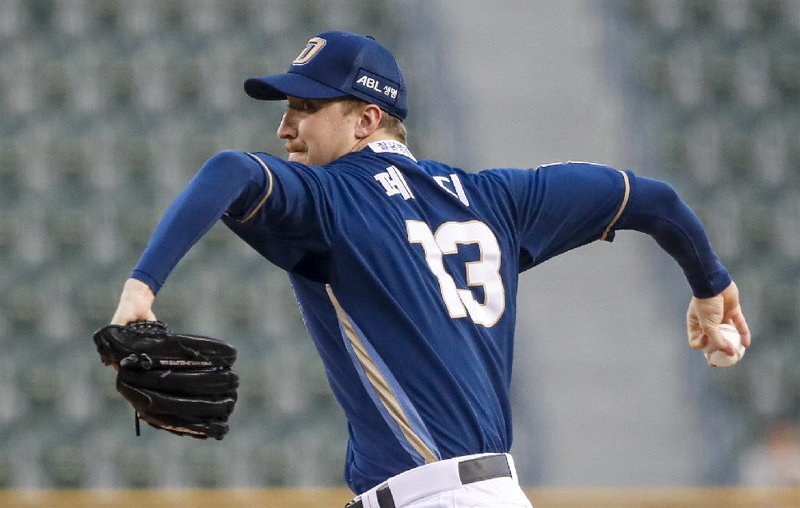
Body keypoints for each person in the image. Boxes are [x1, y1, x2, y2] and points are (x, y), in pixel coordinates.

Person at [108, 30, 750, 508]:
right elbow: (652, 199)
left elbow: (230, 169)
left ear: (365, 120)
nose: (284, 127)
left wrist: (142, 289)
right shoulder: (501, 199)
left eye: (304, 108)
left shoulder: (331, 202)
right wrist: (709, 284)